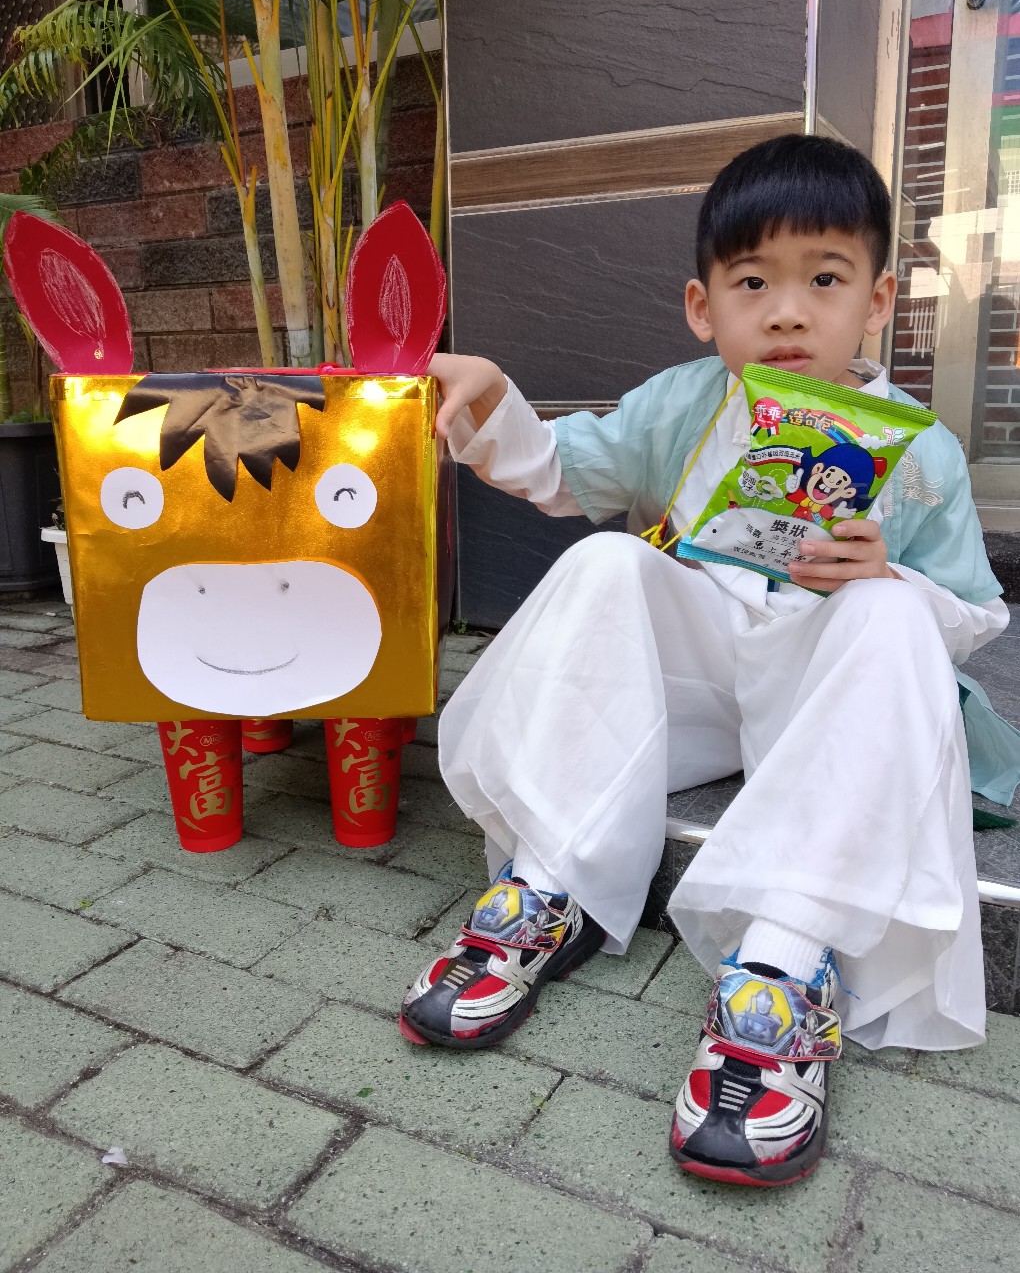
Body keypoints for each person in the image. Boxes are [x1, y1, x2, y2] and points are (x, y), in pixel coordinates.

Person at [399, 135, 1020, 1188]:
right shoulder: (686, 402)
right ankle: (549, 884)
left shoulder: (921, 450)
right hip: (703, 697)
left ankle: (784, 963)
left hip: (830, 714)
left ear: (877, 302)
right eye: (753, 283)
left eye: (826, 280)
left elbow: (974, 614)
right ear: (704, 307)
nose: (788, 313)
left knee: (890, 615)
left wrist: (888, 578)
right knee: (605, 559)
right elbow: (561, 469)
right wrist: (495, 395)